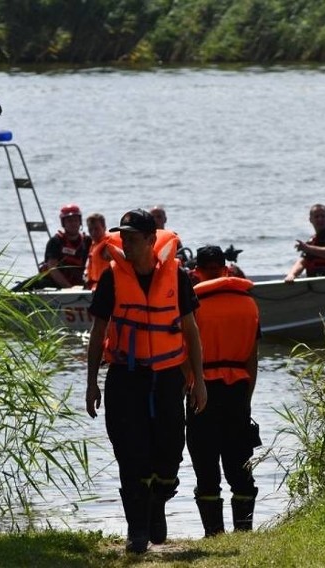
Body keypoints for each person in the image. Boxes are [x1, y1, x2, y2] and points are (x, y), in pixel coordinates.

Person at [85, 208, 208, 554]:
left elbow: (191, 331)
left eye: (133, 238)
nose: (126, 243)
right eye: (123, 237)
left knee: (169, 455)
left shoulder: (177, 276)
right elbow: (97, 333)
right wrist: (92, 382)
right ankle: (137, 530)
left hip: (168, 377)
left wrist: (199, 381)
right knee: (130, 453)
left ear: (152, 240)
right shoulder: (112, 277)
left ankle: (158, 503)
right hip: (125, 376)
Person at [186, 245, 260, 537]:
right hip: (239, 390)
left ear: (197, 271)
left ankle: (213, 533)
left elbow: (183, 354)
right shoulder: (249, 304)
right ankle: (244, 531)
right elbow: (252, 358)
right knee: (240, 466)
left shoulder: (194, 305)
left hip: (202, 391)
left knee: (206, 468)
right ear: (226, 269)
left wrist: (188, 387)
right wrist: (247, 397)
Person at [39, 203, 92, 288]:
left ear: (80, 222)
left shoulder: (87, 241)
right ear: (63, 223)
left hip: (79, 283)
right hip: (54, 284)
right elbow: (52, 268)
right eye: (69, 221)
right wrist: (69, 288)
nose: (73, 223)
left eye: (75, 220)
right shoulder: (56, 241)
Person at [83, 212, 111, 290]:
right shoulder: (94, 244)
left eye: (96, 229)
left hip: (106, 287)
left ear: (104, 228)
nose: (93, 232)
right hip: (94, 286)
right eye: (90, 229)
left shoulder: (107, 246)